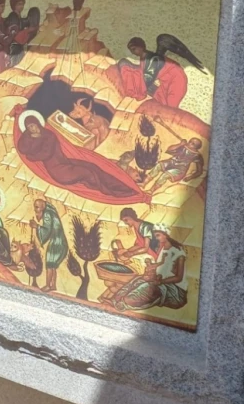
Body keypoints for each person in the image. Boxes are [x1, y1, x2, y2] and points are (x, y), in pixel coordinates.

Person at [17, 115, 148, 205]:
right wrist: (30, 139)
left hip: (65, 163)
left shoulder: (49, 135)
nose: (33, 129)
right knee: (89, 174)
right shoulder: (31, 139)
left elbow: (44, 152)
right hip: (59, 172)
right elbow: (29, 150)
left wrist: (32, 154)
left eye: (34, 125)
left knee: (94, 167)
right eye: (29, 128)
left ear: (39, 124)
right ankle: (116, 192)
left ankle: (125, 188)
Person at [112, 226, 188, 313]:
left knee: (146, 288)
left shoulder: (179, 254)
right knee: (139, 279)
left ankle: (123, 303)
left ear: (166, 235)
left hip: (175, 293)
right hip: (161, 283)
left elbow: (178, 278)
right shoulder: (163, 249)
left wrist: (160, 281)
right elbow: (163, 266)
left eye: (158, 235)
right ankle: (115, 300)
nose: (156, 238)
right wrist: (151, 268)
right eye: (155, 236)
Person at [145, 129, 204, 195]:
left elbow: (199, 171)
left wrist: (190, 177)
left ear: (196, 147)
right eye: (190, 141)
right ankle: (144, 183)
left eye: (192, 144)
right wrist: (180, 144)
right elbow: (169, 149)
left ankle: (151, 191)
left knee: (165, 175)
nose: (189, 143)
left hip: (180, 169)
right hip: (171, 162)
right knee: (158, 165)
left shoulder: (197, 156)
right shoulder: (183, 147)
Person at [30, 198, 68, 292]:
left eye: (37, 207)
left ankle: (48, 285)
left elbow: (47, 230)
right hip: (61, 242)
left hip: (56, 242)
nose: (35, 209)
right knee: (53, 265)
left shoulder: (47, 214)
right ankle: (53, 285)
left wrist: (36, 226)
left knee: (49, 264)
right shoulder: (51, 209)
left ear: (43, 206)